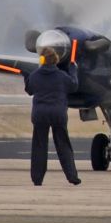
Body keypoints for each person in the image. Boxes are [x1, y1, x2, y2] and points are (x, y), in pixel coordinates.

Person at [24, 46, 81, 186]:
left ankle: (37, 179)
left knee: (39, 146)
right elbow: (74, 86)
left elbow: (29, 90)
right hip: (58, 113)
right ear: (56, 60)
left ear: (42, 59)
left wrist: (26, 77)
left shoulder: (35, 75)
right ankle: (72, 176)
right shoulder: (62, 76)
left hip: (40, 114)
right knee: (63, 145)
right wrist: (73, 69)